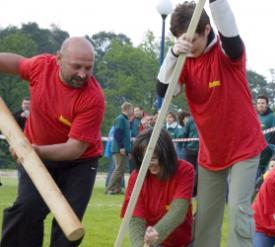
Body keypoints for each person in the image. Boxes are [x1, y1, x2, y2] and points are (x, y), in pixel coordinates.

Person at [155, 1, 266, 246]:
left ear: (206, 30)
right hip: (211, 152)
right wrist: (174, 53)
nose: (190, 47)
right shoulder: (185, 61)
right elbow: (163, 89)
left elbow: (230, 34)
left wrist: (216, 2)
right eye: (184, 41)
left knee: (238, 209)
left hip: (244, 147)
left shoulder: (226, 53)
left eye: (193, 40)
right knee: (205, 216)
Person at [0, 37, 105, 246]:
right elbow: (18, 63)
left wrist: (34, 151)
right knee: (26, 209)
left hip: (79, 163)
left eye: (88, 67)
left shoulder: (93, 98)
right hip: (36, 155)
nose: (82, 74)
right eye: (76, 66)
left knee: (68, 226)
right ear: (59, 58)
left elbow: (74, 149)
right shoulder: (41, 67)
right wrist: (33, 152)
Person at [121, 129, 194, 247]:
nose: (150, 163)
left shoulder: (185, 170)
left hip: (182, 242)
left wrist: (157, 232)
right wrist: (139, 244)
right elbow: (136, 218)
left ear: (166, 154)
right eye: (144, 159)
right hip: (153, 244)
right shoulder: (136, 178)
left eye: (154, 158)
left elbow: (179, 210)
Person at [106, 102, 133, 195]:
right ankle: (110, 188)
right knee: (118, 169)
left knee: (121, 170)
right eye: (131, 109)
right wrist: (121, 147)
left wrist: (128, 150)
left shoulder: (125, 120)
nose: (132, 111)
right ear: (127, 109)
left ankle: (117, 189)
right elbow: (117, 133)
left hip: (123, 149)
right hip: (118, 149)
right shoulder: (120, 119)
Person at [256, 95, 275, 190]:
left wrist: (270, 147)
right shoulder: (254, 116)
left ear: (267, 104)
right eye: (259, 103)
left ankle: (260, 185)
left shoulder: (272, 117)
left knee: (262, 171)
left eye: (263, 103)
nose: (261, 105)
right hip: (254, 150)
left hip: (267, 150)